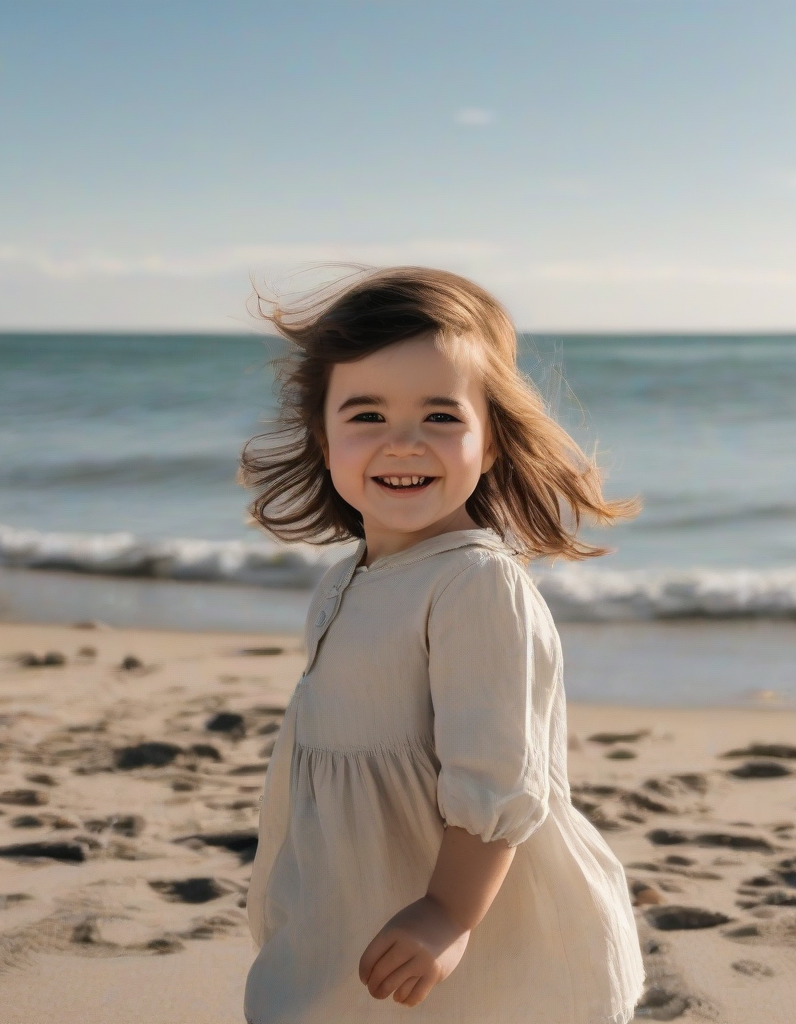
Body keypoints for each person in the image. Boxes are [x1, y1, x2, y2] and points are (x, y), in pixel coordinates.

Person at [241, 267, 646, 1023]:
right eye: (366, 414)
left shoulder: (474, 586)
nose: (404, 443)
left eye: (440, 416)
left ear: (490, 441)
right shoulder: (348, 578)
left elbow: (496, 776)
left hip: (464, 911)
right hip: (353, 895)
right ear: (321, 434)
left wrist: (448, 914)